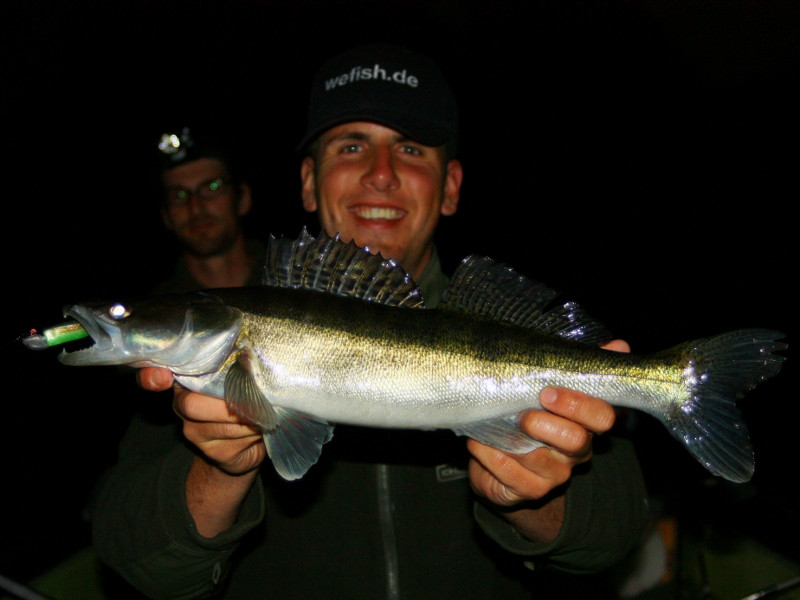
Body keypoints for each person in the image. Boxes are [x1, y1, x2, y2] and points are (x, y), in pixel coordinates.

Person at [91, 44, 648, 599]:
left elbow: (610, 541)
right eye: (352, 145)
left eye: (409, 149)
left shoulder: (494, 318)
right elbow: (137, 563)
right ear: (308, 182)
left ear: (450, 186)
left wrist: (539, 499)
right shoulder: (190, 376)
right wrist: (220, 470)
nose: (381, 174)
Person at [154, 126, 265, 293]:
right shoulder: (156, 311)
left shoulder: (297, 284)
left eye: (212, 187)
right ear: (165, 215)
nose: (195, 207)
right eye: (178, 195)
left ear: (243, 198)